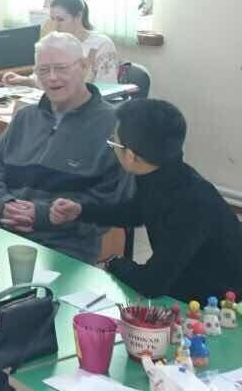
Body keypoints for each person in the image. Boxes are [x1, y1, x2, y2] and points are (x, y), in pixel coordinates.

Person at [49, 99, 242, 302]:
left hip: (218, 301)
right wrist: (80, 211)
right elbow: (137, 212)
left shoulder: (191, 204)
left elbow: (152, 283)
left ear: (131, 156)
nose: (111, 145)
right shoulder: (162, 172)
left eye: (113, 142)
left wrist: (113, 262)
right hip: (185, 278)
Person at [0, 32, 131, 263]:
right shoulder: (25, 118)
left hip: (64, 246)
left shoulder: (114, 125)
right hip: (0, 231)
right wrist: (2, 204)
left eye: (61, 68)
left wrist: (42, 215)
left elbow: (113, 203)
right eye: (43, 70)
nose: (52, 78)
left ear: (84, 67)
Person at [3, 0, 118, 86]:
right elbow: (44, 79)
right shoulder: (54, 42)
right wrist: (22, 80)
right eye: (52, 19)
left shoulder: (101, 44)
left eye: (60, 20)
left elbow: (108, 88)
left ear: (78, 17)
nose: (55, 25)